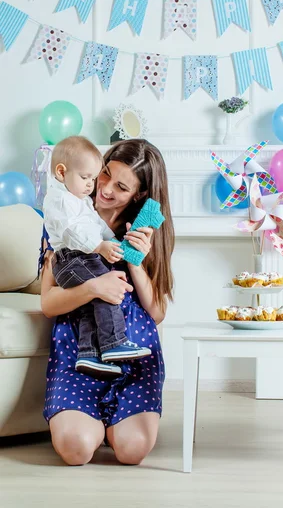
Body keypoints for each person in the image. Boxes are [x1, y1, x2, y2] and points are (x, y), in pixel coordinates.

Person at [40, 139, 174, 466]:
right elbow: (48, 303)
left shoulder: (145, 232)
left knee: (132, 450)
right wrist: (94, 288)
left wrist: (136, 261)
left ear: (139, 195)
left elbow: (156, 313)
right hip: (78, 352)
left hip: (134, 351)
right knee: (75, 449)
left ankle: (114, 426)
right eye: (104, 175)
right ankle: (91, 425)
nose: (105, 188)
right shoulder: (66, 221)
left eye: (121, 186)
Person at [43, 136, 151, 380]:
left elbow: (96, 225)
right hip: (71, 259)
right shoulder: (60, 200)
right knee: (106, 286)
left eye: (122, 187)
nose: (97, 187)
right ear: (61, 172)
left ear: (137, 194)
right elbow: (72, 231)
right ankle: (114, 343)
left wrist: (117, 243)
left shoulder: (80, 202)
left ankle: (89, 353)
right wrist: (100, 246)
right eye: (90, 177)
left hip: (79, 259)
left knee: (91, 307)